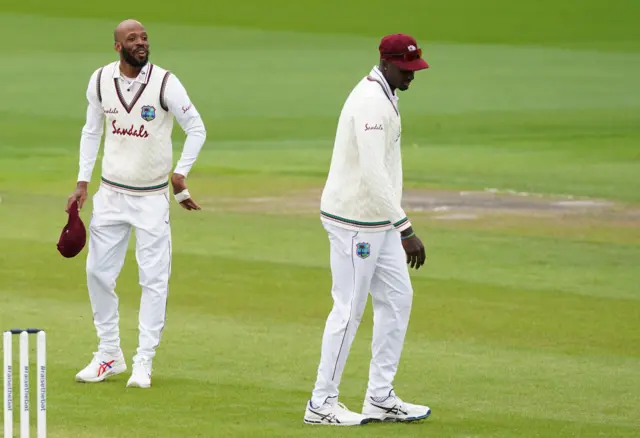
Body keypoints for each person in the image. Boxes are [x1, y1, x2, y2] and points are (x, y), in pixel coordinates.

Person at [67, 19, 207, 388]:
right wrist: (82, 181)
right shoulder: (99, 81)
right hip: (110, 195)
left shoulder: (165, 83)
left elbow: (197, 128)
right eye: (133, 39)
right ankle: (109, 354)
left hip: (150, 199)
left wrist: (180, 173)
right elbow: (91, 130)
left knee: (153, 279)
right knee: (97, 272)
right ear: (118, 47)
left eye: (144, 37)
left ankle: (144, 360)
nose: (141, 43)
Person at [303, 33, 431, 425]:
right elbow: (374, 173)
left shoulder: (386, 92)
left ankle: (379, 397)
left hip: (378, 220)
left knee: (397, 299)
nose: (412, 76)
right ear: (386, 62)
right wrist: (406, 228)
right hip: (355, 221)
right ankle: (321, 404)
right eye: (406, 69)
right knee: (349, 309)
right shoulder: (372, 102)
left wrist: (394, 224)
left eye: (415, 68)